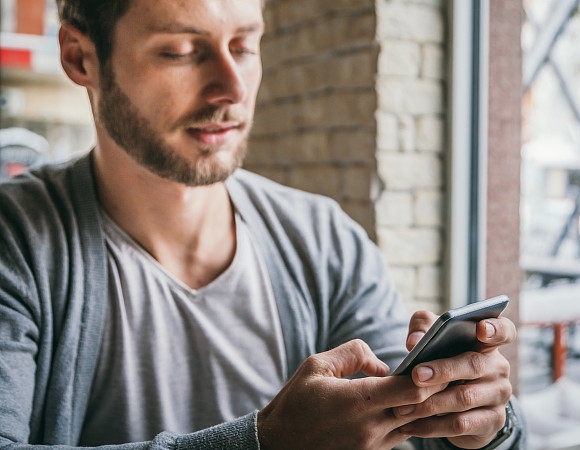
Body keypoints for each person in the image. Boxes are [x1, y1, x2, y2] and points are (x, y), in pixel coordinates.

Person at [0, 1, 525, 449]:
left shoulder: (322, 239)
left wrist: (479, 422)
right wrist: (264, 442)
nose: (231, 88)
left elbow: (415, 420)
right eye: (181, 52)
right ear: (79, 56)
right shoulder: (17, 239)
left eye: (245, 46)